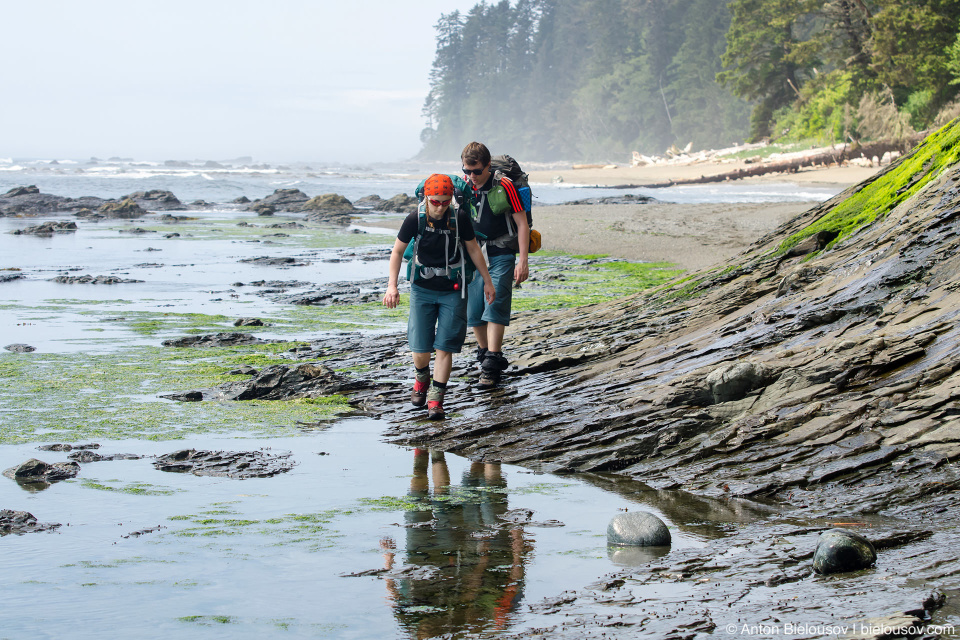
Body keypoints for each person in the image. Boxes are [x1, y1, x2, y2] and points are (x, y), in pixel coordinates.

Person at [383, 173, 495, 420]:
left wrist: (487, 281)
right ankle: (421, 377)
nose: (440, 207)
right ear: (426, 198)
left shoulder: (459, 218)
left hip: (453, 290)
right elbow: (397, 251)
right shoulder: (415, 218)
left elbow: (474, 249)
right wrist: (392, 286)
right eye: (436, 202)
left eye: (445, 202)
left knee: (445, 347)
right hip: (422, 289)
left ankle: (436, 400)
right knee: (421, 347)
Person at [460, 141, 530, 388]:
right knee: (474, 309)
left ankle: (491, 363)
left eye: (477, 171)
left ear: (488, 165)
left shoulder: (505, 185)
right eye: (467, 170)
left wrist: (523, 260)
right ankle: (485, 355)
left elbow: (522, 224)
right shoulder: (465, 186)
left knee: (495, 301)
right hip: (476, 252)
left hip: (502, 250)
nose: (472, 176)